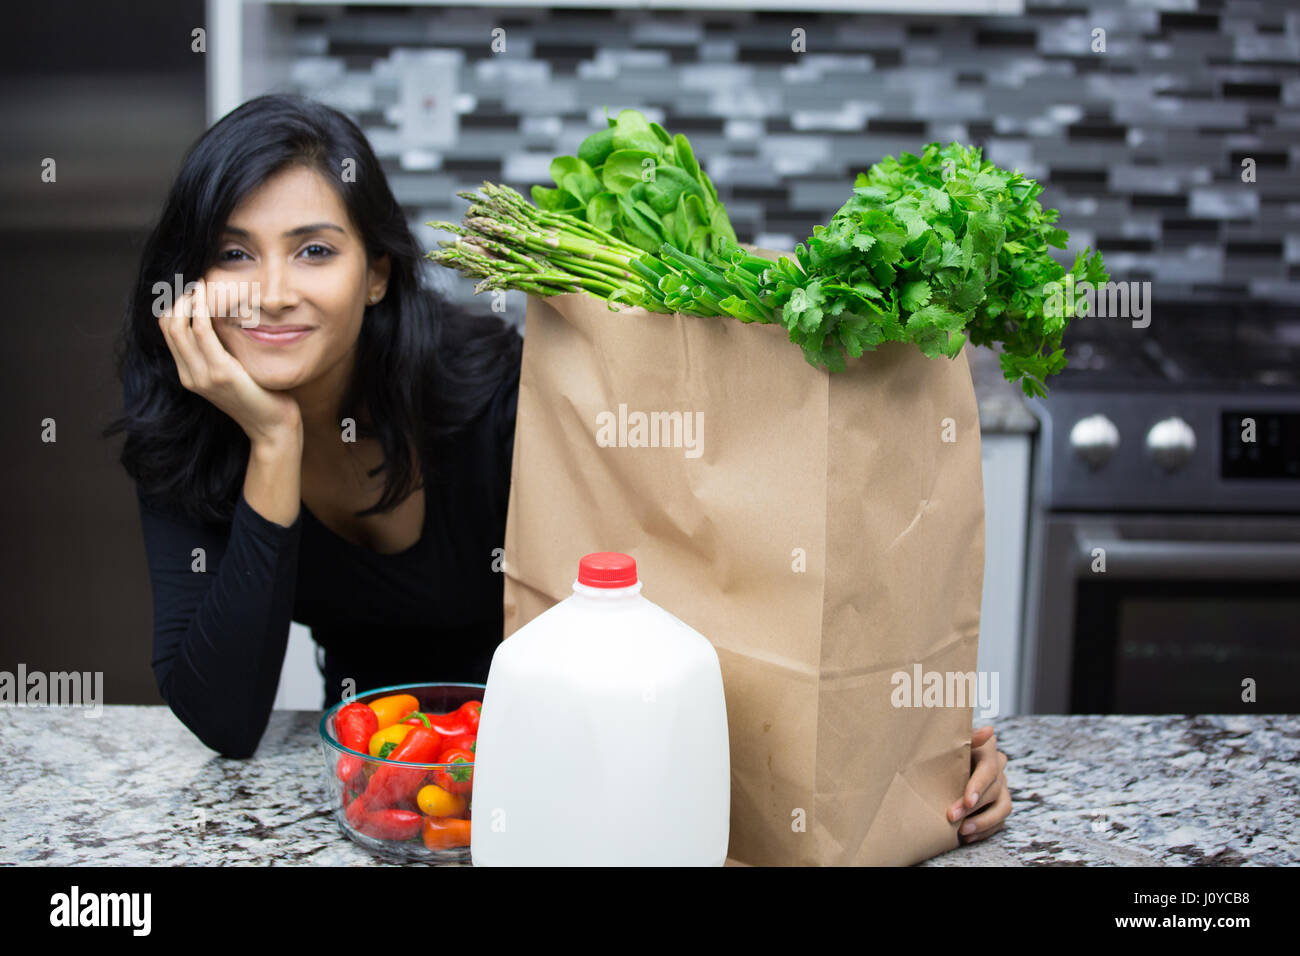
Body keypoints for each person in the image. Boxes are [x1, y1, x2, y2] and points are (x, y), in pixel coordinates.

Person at [104, 93, 1010, 845]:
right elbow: (222, 717)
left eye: (313, 250)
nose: (269, 290)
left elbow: (703, 594)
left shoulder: (501, 395)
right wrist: (272, 445)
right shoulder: (188, 434)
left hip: (583, 797)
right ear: (189, 280)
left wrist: (899, 747)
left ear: (376, 273)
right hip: (396, 799)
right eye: (233, 253)